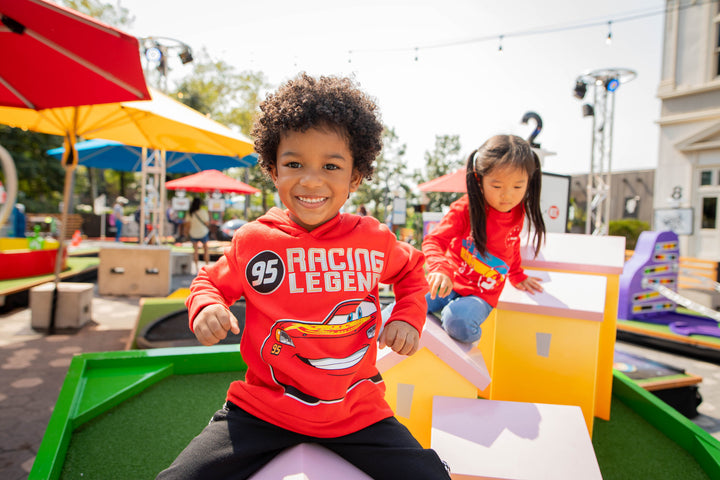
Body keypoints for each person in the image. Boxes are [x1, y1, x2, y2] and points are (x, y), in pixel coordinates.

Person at [157, 73, 450, 480]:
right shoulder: (254, 239)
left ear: (355, 177)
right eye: (294, 164)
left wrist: (406, 316)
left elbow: (413, 273)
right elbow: (208, 282)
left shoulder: (373, 238)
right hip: (261, 411)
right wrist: (206, 306)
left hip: (357, 413)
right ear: (273, 171)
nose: (311, 179)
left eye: (331, 165)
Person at [422, 134, 546, 344]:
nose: (507, 195)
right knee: (408, 304)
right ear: (479, 180)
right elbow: (433, 241)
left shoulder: (519, 211)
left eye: (518, 187)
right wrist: (440, 268)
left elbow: (511, 244)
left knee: (457, 320)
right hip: (450, 281)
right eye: (497, 186)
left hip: (480, 294)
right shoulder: (466, 208)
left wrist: (517, 275)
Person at [188, 196, 210, 272]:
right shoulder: (203, 212)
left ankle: (196, 268)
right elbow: (207, 223)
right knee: (206, 250)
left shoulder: (190, 212)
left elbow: (187, 224)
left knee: (195, 251)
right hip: (203, 232)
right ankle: (207, 267)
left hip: (193, 233)